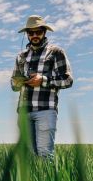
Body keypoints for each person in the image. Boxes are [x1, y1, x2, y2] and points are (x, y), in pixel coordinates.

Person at [11, 15, 73, 159]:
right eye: (30, 33)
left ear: (44, 32)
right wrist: (17, 82)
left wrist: (43, 80)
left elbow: (68, 80)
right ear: (27, 34)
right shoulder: (21, 56)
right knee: (28, 157)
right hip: (24, 111)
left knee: (45, 156)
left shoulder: (56, 52)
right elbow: (13, 85)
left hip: (45, 110)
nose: (34, 35)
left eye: (38, 32)